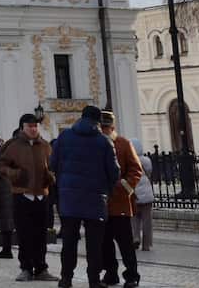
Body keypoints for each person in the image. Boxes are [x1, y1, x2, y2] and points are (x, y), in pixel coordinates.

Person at [50, 105, 119, 288]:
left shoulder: (64, 137)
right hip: (96, 199)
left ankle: (66, 278)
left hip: (69, 200)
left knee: (69, 242)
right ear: (98, 122)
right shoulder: (104, 142)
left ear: (81, 117)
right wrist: (107, 189)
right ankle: (94, 280)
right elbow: (114, 171)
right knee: (94, 244)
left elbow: (53, 163)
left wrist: (64, 184)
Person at [0, 113, 57, 283]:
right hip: (22, 195)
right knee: (24, 234)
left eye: (35, 126)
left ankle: (41, 268)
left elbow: (53, 165)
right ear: (22, 127)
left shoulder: (45, 146)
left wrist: (51, 176)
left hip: (41, 196)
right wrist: (14, 174)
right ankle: (26, 268)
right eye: (30, 126)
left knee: (40, 234)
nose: (33, 129)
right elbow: (0, 165)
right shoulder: (13, 146)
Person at [98, 111, 143, 288]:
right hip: (101, 205)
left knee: (126, 244)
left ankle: (131, 276)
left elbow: (135, 169)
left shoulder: (123, 144)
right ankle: (111, 273)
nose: (103, 130)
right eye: (101, 127)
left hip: (121, 203)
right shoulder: (95, 145)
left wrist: (124, 186)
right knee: (105, 244)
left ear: (112, 127)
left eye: (106, 127)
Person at [128, 139, 153, 253]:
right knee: (147, 221)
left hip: (134, 195)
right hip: (147, 195)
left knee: (134, 219)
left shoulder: (128, 160)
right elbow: (149, 172)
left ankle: (135, 237)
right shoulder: (146, 161)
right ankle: (146, 245)